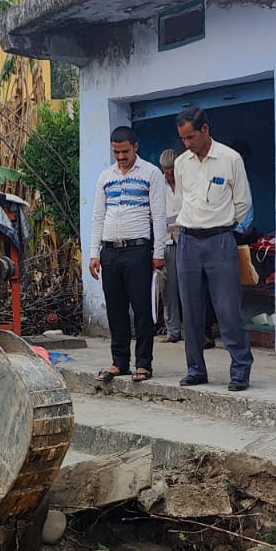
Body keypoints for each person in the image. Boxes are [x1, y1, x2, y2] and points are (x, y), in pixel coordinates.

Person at [172, 105, 252, 391]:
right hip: (188, 241)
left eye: (191, 137)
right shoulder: (182, 163)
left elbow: (242, 202)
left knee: (228, 307)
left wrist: (226, 227)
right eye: (183, 139)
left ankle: (240, 368)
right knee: (191, 310)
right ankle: (195, 369)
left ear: (205, 129)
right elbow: (183, 199)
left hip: (220, 240)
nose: (188, 144)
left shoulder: (230, 159)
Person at [88, 126, 166, 382]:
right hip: (109, 251)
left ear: (136, 147)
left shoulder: (151, 174)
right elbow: (98, 215)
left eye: (124, 151)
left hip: (138, 250)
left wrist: (158, 252)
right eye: (116, 152)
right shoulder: (105, 177)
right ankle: (119, 362)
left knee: (142, 309)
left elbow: (158, 215)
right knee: (116, 310)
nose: (120, 157)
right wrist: (93, 254)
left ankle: (144, 363)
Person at [156, 148, 183, 342]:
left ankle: (195, 331)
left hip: (186, 238)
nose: (169, 173)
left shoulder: (185, 182)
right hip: (166, 240)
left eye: (172, 169)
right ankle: (172, 331)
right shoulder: (159, 186)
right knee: (168, 288)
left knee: (190, 287)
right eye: (166, 169)